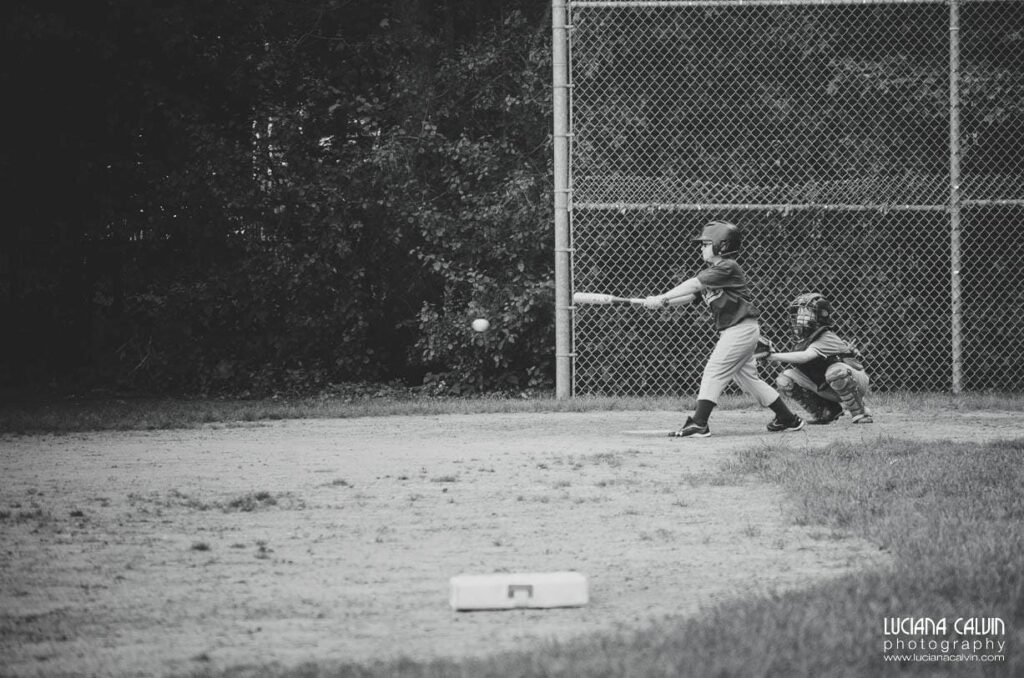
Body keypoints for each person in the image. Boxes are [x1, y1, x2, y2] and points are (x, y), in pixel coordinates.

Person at [642, 220, 805, 438]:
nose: (702, 248)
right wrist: (663, 303)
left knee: (714, 370)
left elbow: (694, 284)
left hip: (740, 330)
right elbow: (691, 296)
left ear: (722, 245)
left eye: (706, 243)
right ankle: (787, 418)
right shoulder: (714, 272)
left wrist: (662, 296)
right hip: (740, 330)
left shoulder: (727, 267)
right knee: (749, 380)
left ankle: (699, 422)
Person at [760, 293, 873, 424]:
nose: (799, 318)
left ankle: (861, 412)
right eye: (799, 314)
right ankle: (826, 411)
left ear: (820, 315)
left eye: (806, 313)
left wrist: (771, 356)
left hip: (856, 381)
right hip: (827, 385)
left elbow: (805, 357)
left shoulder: (825, 336)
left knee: (836, 372)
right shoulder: (803, 339)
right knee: (784, 380)